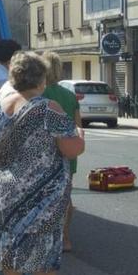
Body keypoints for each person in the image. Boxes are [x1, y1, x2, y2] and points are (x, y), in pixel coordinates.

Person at [0, 51, 84, 275]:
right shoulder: (48, 108)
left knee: (12, 246)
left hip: (5, 190)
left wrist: (10, 167)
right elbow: (71, 148)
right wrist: (80, 133)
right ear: (42, 79)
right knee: (44, 249)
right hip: (43, 194)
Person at [42, 51, 81, 252]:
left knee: (45, 197)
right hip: (68, 153)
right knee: (65, 196)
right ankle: (65, 238)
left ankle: (48, 238)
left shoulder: (39, 95)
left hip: (46, 155)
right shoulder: (69, 95)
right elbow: (78, 127)